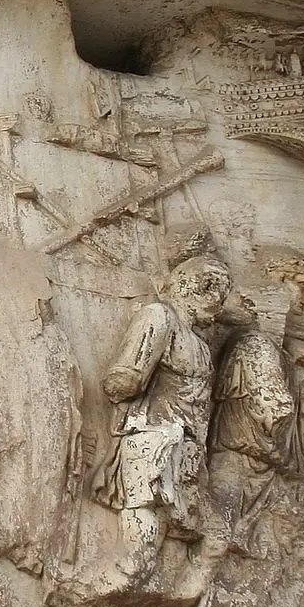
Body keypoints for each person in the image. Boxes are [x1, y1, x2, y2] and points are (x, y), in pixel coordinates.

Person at [88, 251, 231, 585]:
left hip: (187, 454)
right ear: (198, 288)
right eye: (218, 297)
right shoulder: (158, 317)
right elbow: (124, 377)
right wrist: (128, 382)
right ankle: (79, 601)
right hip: (151, 446)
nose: (219, 309)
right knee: (140, 552)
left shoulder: (198, 342)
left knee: (209, 542)